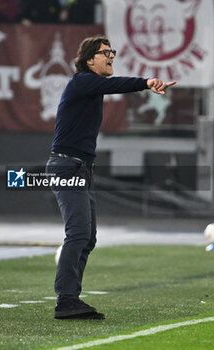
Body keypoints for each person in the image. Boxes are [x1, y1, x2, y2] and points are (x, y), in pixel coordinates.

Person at [46, 35, 176, 320]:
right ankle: (65, 300)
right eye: (105, 52)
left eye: (112, 52)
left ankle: (71, 298)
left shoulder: (91, 88)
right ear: (89, 59)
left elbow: (110, 85)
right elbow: (115, 84)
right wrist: (146, 82)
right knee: (78, 233)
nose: (111, 56)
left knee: (88, 237)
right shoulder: (82, 80)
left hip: (81, 169)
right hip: (67, 167)